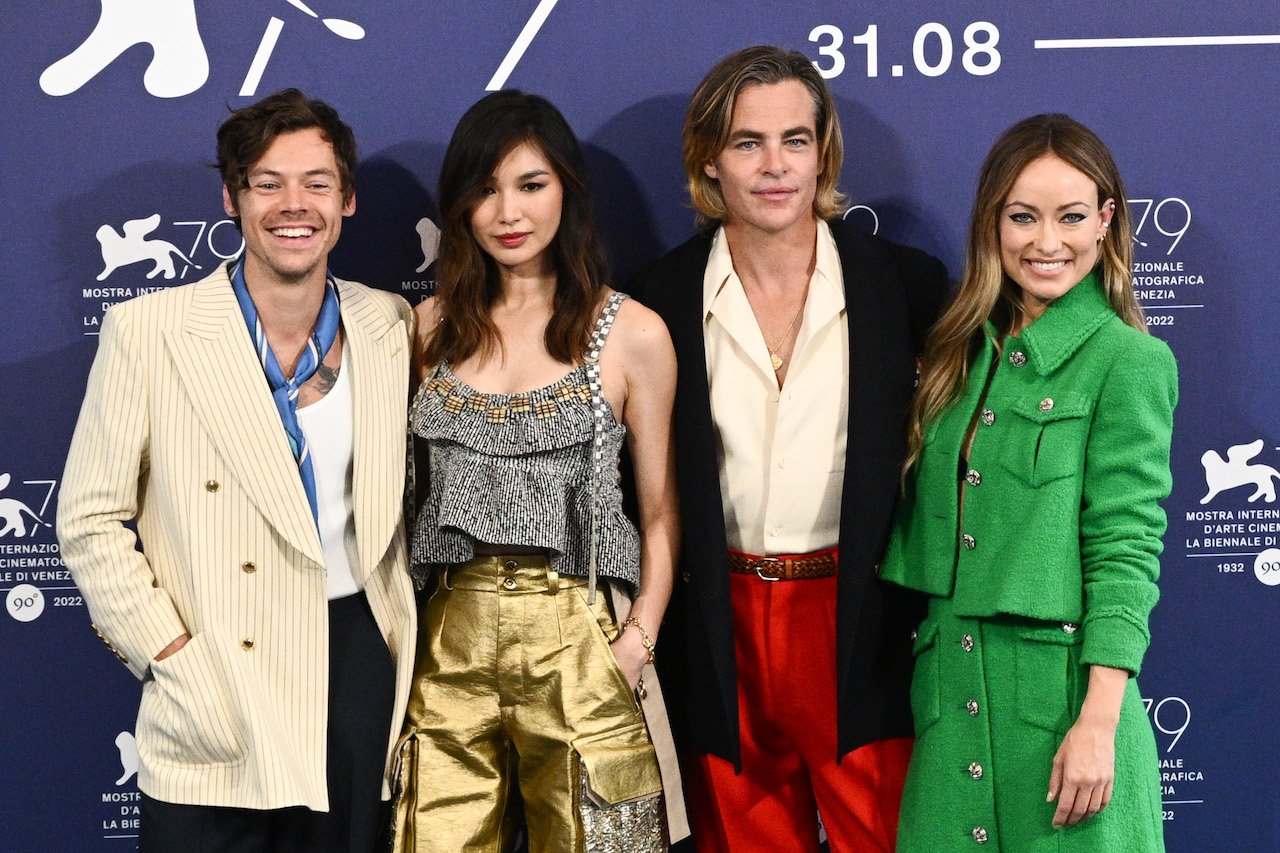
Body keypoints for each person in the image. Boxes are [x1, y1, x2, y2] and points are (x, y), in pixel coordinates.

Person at [57, 89, 417, 852]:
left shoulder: (390, 322)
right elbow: (88, 518)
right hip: (218, 660)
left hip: (354, 661)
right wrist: (170, 654)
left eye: (317, 183)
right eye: (267, 183)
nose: (295, 205)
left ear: (347, 200)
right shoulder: (150, 330)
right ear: (232, 197)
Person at [631, 46, 949, 852]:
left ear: (823, 153)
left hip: (860, 623)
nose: (775, 166)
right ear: (710, 159)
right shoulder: (657, 299)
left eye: (795, 141)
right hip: (717, 622)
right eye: (748, 143)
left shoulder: (904, 286)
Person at [392, 90, 683, 852]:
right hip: (448, 633)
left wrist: (637, 639)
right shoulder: (426, 329)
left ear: (568, 192)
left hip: (580, 626)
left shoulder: (632, 333)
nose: (508, 212)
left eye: (530, 184)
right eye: (485, 189)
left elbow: (658, 509)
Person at [880, 113, 1176, 850]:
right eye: (1023, 217)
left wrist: (1098, 723)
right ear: (992, 222)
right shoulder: (955, 351)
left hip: (1063, 710)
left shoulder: (1128, 361)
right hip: (950, 702)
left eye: (1072, 216)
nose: (1048, 242)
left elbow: (1127, 548)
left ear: (1106, 221)